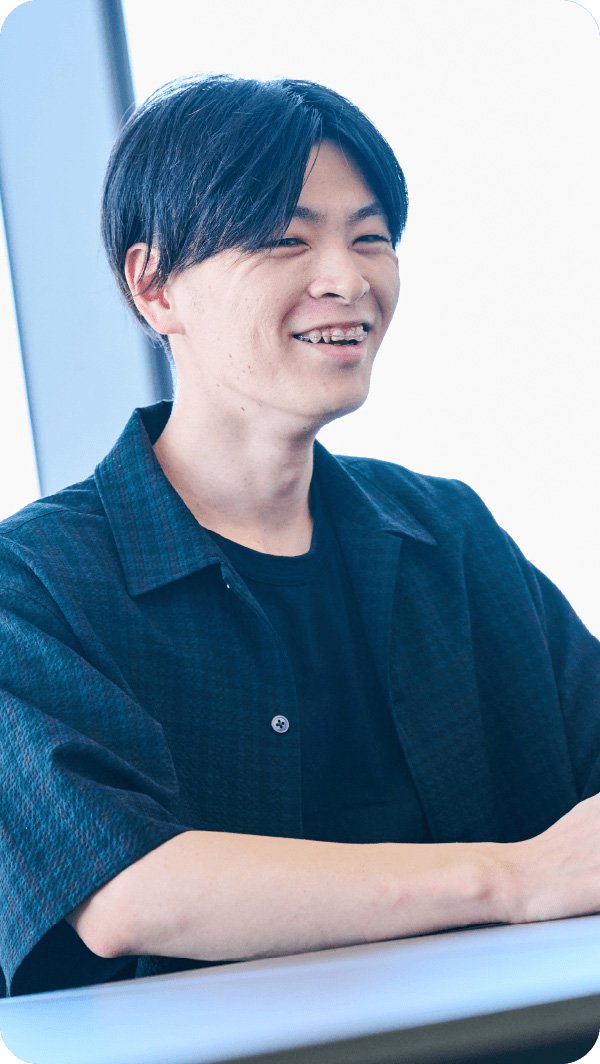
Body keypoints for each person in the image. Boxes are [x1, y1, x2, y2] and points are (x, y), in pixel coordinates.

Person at [1, 74, 600, 1040]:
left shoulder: (450, 535)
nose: (347, 280)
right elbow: (125, 889)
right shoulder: (35, 583)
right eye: (287, 240)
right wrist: (514, 879)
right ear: (154, 286)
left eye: (370, 238)